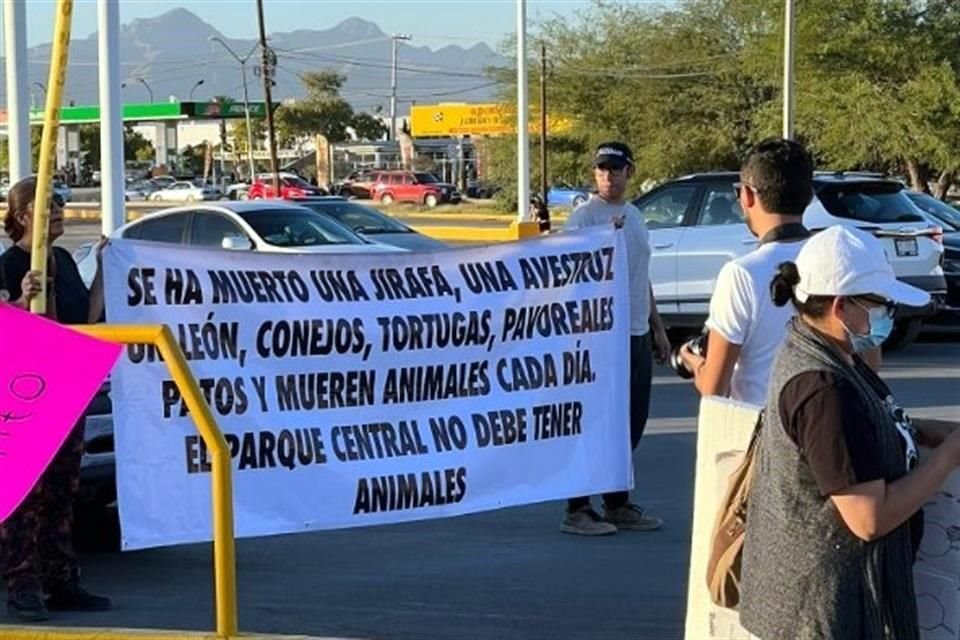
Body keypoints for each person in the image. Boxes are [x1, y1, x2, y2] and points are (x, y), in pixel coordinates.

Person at [739, 225, 960, 639]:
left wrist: (922, 432)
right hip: (821, 612)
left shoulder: (825, 350)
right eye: (881, 305)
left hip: (816, 601)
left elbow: (858, 435)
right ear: (841, 307)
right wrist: (948, 457)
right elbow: (868, 518)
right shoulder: (824, 389)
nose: (888, 315)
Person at [0, 176, 110, 622]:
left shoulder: (62, 260)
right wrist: (24, 299)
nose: (61, 212)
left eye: (62, 204)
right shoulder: (9, 265)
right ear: (24, 214)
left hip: (70, 384)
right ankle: (23, 585)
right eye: (51, 206)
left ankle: (62, 580)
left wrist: (105, 268)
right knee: (26, 494)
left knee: (63, 491)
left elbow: (85, 317)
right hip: (26, 390)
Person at [561, 141, 671, 536]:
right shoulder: (584, 219)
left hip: (636, 332)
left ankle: (617, 502)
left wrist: (658, 328)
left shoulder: (636, 216)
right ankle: (578, 507)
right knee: (596, 423)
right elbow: (568, 276)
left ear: (630, 172)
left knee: (629, 423)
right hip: (598, 338)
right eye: (602, 169)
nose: (608, 176)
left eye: (616, 169)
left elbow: (640, 274)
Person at [680, 138, 813, 406]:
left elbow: (714, 388)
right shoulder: (839, 259)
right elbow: (870, 362)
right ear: (809, 196)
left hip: (765, 434)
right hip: (830, 429)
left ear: (747, 195)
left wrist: (691, 360)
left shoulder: (742, 273)